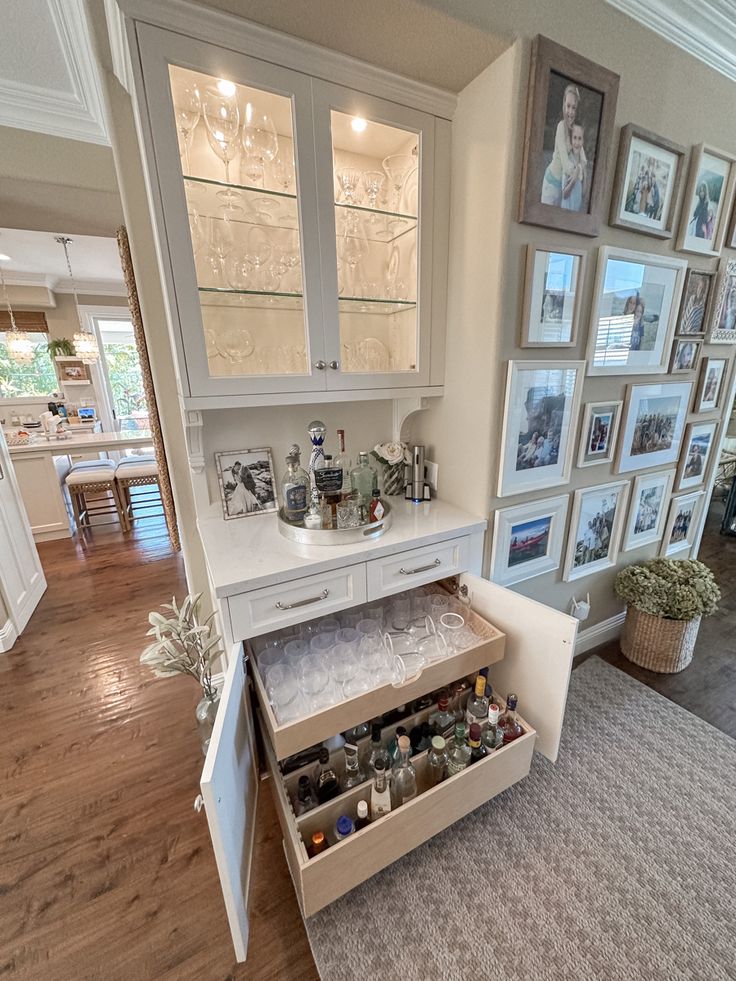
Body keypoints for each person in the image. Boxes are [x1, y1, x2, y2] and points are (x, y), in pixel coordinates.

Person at [541, 84, 586, 207]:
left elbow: (583, 159)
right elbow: (566, 165)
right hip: (551, 185)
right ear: (563, 105)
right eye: (568, 106)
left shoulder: (575, 130)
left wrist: (579, 169)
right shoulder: (561, 127)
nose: (570, 112)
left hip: (563, 187)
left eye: (574, 108)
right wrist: (576, 172)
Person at [561, 122, 586, 212]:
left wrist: (582, 171)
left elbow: (583, 193)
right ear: (571, 140)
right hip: (566, 209)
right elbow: (564, 195)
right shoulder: (568, 162)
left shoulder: (582, 163)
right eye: (574, 138)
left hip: (576, 208)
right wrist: (574, 180)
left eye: (580, 138)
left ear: (583, 141)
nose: (577, 142)